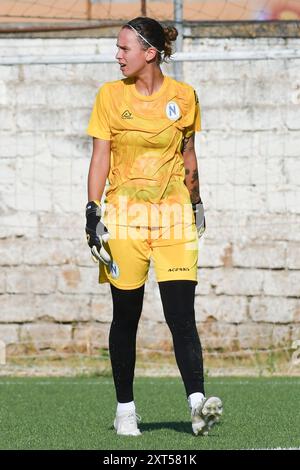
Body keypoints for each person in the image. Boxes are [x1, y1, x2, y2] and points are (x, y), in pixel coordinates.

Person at [85, 16, 223, 437]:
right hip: (125, 218)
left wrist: (197, 204)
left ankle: (198, 406)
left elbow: (189, 157)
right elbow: (100, 157)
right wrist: (92, 212)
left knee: (181, 315)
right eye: (117, 47)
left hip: (174, 218)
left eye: (124, 49)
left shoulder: (184, 97)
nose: (117, 55)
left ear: (150, 53)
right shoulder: (109, 96)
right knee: (126, 315)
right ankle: (125, 411)